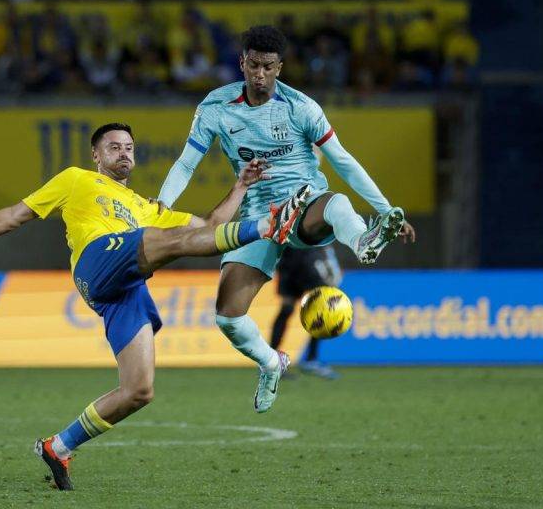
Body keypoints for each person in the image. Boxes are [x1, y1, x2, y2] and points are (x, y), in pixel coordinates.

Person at [0, 122, 306, 491]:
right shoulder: (76, 180)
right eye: (114, 147)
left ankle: (58, 447)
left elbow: (206, 227)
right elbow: (15, 216)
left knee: (138, 390)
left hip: (126, 285)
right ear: (96, 156)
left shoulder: (143, 207)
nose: (124, 153)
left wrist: (239, 187)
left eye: (129, 148)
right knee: (162, 240)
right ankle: (268, 226)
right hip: (97, 261)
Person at [157, 25, 416, 413]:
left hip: (304, 206)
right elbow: (187, 161)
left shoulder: (301, 107)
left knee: (335, 201)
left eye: (267, 66)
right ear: (242, 63)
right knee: (227, 317)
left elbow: (343, 161)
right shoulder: (215, 107)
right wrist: (162, 201)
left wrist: (383, 208)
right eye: (253, 65)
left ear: (280, 67)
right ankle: (270, 361)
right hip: (259, 218)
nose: (259, 74)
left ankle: (363, 239)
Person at [270, 245, 342, 380]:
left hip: (309, 259)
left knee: (322, 306)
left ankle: (311, 359)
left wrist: (327, 255)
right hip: (289, 259)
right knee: (287, 309)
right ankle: (271, 363)